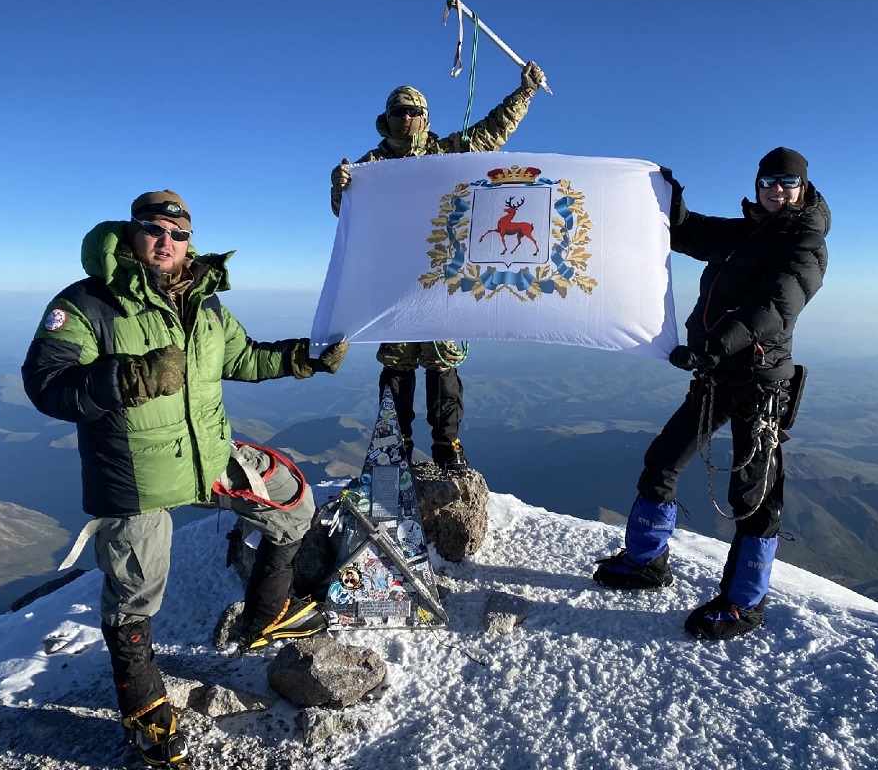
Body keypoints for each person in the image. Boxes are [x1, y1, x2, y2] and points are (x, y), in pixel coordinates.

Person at [21, 190, 348, 768]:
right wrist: (123, 380)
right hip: (134, 472)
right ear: (131, 234)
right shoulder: (88, 304)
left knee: (292, 507)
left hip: (208, 457)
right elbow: (45, 383)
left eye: (179, 233)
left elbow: (244, 359)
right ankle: (144, 709)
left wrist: (304, 356)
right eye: (153, 228)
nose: (167, 240)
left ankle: (267, 612)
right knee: (135, 593)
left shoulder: (206, 305)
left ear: (189, 242)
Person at [594, 148, 830, 640]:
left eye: (787, 182)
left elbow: (776, 306)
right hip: (715, 376)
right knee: (663, 460)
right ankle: (646, 562)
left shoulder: (805, 243)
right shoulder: (746, 231)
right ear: (758, 184)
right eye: (768, 181)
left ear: (803, 187)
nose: (776, 190)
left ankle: (744, 605)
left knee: (753, 496)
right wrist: (666, 194)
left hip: (761, 385)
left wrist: (717, 345)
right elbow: (687, 233)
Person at [330, 61, 548, 472]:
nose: (406, 118)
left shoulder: (447, 154)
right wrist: (339, 188)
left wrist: (525, 93)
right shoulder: (369, 166)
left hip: (444, 279)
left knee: (443, 363)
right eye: (398, 112)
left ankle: (448, 444)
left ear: (425, 119)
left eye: (412, 112)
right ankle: (394, 444)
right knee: (396, 364)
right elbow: (345, 214)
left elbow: (492, 131)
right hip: (394, 281)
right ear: (387, 119)